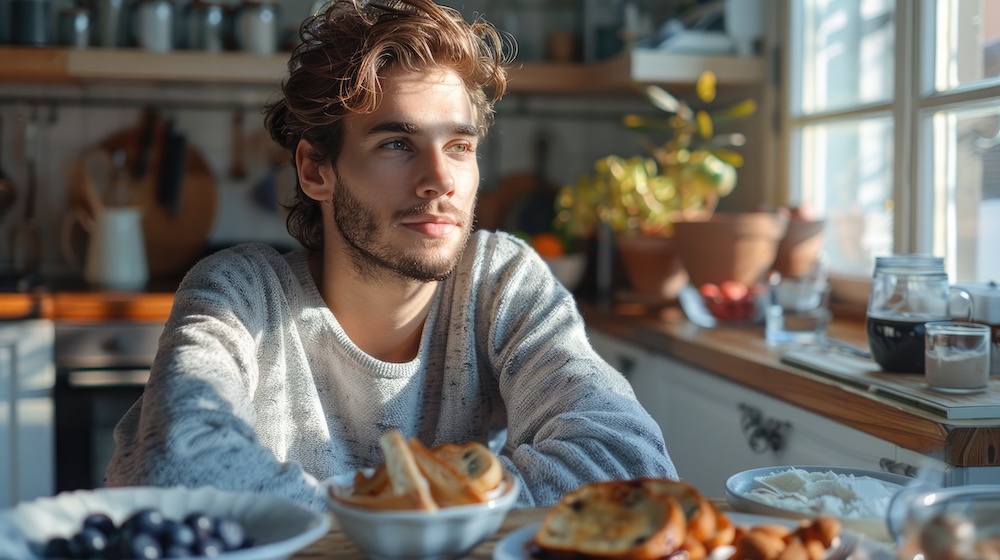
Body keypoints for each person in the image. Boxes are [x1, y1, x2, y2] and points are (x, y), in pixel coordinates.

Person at [105, 0, 677, 510]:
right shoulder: (241, 294)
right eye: (396, 144)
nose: (439, 180)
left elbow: (629, 461)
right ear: (315, 170)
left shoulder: (500, 281)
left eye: (459, 147)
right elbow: (180, 463)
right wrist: (438, 516)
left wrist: (377, 517)